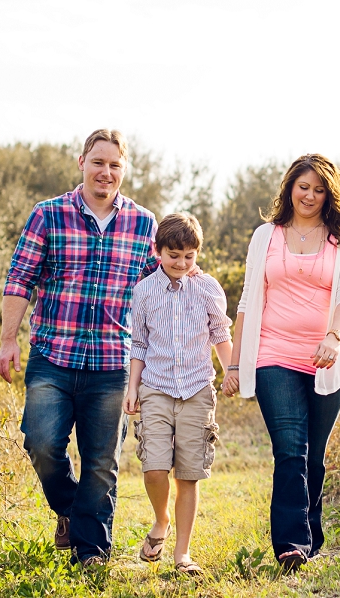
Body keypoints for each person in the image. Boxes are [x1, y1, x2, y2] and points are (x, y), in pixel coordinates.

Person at [0, 129, 163, 567]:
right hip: (53, 357)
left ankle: (91, 552)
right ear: (81, 163)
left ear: (123, 170)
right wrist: (8, 339)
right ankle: (72, 512)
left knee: (102, 463)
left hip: (112, 363)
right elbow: (20, 280)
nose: (105, 172)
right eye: (98, 162)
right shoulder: (48, 215)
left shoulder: (144, 224)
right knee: (41, 443)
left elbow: (158, 292)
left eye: (114, 165)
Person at [222, 153, 340, 572]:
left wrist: (334, 338)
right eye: (304, 187)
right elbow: (249, 298)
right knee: (289, 449)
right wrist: (234, 363)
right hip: (273, 353)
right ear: (290, 188)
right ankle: (291, 544)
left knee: (313, 455)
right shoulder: (266, 235)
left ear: (330, 194)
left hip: (328, 358)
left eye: (320, 189)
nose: (310, 195)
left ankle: (311, 536)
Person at [122, 213, 232, 576]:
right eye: (174, 255)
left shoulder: (207, 288)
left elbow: (220, 333)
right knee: (154, 467)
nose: (182, 263)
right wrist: (132, 387)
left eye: (189, 256)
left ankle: (182, 554)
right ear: (158, 251)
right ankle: (161, 520)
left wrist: (231, 370)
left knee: (188, 474)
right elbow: (139, 343)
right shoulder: (144, 291)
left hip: (197, 388)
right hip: (155, 386)